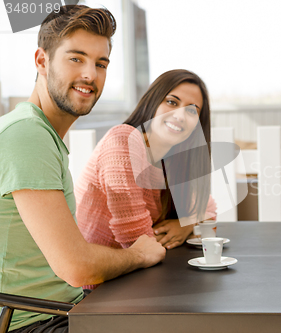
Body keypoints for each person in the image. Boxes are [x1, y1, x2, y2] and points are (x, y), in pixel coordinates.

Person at [0, 6, 165, 332]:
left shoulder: (41, 134)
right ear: (42, 61)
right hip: (34, 321)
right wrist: (139, 255)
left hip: (68, 310)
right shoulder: (27, 134)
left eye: (100, 63)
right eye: (76, 58)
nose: (90, 74)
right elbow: (77, 267)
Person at [75, 69, 217, 259]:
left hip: (141, 273)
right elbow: (134, 239)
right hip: (100, 282)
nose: (180, 115)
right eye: (172, 102)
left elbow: (208, 209)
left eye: (192, 110)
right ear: (153, 102)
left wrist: (186, 225)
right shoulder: (123, 141)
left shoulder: (173, 161)